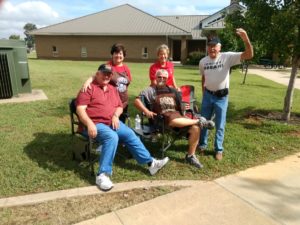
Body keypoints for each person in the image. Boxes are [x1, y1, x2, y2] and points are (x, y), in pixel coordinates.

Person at [76, 64, 169, 191]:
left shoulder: (112, 89)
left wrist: (115, 116)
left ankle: (151, 163)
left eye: (109, 74)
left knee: (130, 133)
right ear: (97, 74)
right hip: (94, 124)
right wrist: (89, 123)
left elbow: (120, 106)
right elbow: (80, 110)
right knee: (111, 136)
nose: (107, 76)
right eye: (104, 73)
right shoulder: (88, 88)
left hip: (111, 122)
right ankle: (102, 175)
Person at [134, 69, 214, 169]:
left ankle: (190, 156)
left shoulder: (173, 90)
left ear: (167, 79)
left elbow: (181, 105)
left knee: (196, 128)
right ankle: (200, 121)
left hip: (177, 116)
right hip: (161, 120)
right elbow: (137, 101)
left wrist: (185, 107)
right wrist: (146, 111)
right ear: (155, 77)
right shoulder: (150, 90)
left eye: (164, 77)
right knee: (172, 118)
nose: (161, 79)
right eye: (159, 77)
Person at [199, 28, 254, 160]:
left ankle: (218, 149)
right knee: (203, 122)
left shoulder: (227, 57)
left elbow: (249, 55)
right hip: (207, 96)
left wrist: (245, 38)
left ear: (220, 47)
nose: (212, 49)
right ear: (207, 48)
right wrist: (203, 92)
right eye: (210, 46)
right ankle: (202, 145)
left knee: (220, 124)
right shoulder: (203, 61)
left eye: (215, 46)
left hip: (221, 97)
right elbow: (203, 77)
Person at [82, 43, 132, 123]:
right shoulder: (108, 66)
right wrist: (87, 82)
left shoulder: (126, 68)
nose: (118, 55)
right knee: (111, 121)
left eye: (120, 53)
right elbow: (97, 75)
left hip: (123, 102)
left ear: (124, 55)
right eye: (116, 53)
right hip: (112, 101)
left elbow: (128, 82)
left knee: (121, 123)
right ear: (112, 54)